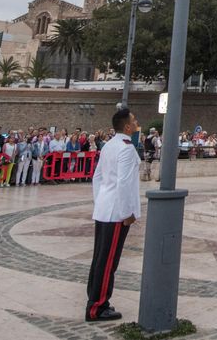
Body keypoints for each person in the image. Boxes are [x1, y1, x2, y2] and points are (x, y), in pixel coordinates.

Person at [85, 108, 140, 323]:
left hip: (105, 207)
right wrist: (127, 212)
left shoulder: (109, 145)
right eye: (134, 120)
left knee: (100, 259)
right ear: (127, 126)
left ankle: (97, 301)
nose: (136, 122)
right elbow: (124, 183)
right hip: (117, 211)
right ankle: (97, 307)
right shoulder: (126, 149)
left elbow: (97, 177)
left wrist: (101, 201)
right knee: (108, 262)